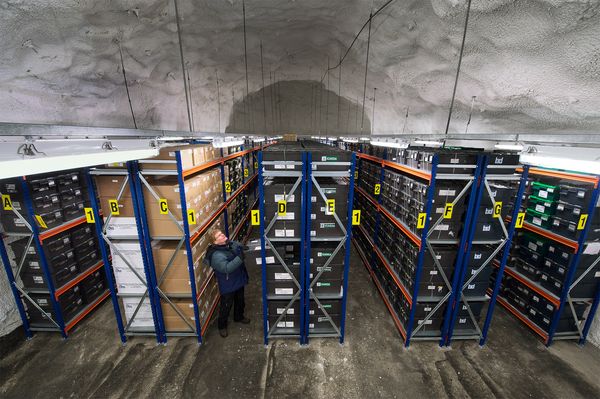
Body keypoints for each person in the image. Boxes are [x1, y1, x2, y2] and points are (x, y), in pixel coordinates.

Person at [204, 229, 250, 338]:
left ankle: (238, 316)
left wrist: (243, 246)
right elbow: (226, 268)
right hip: (228, 283)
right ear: (215, 242)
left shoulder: (228, 244)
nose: (222, 235)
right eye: (219, 235)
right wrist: (240, 258)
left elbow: (235, 244)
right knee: (226, 305)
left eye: (221, 233)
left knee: (240, 300)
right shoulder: (216, 255)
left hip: (238, 278)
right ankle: (222, 326)